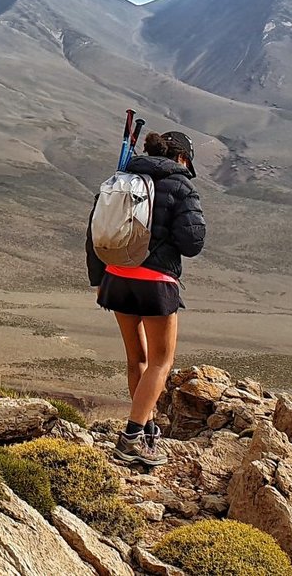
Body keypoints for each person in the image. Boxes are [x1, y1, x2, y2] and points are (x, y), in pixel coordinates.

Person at [85, 130, 205, 466]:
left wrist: (99, 279)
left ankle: (149, 431)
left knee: (136, 358)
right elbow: (192, 243)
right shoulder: (182, 187)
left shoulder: (120, 180)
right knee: (161, 363)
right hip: (156, 285)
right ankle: (132, 439)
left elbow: (95, 231)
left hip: (116, 279)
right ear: (181, 158)